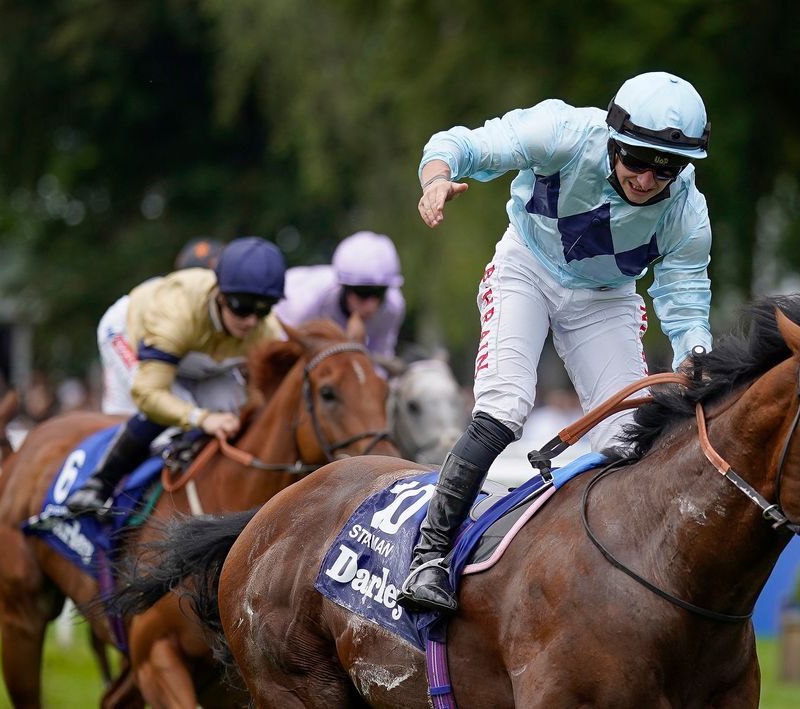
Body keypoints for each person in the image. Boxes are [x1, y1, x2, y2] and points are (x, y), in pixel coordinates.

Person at [398, 71, 714, 614]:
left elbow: (684, 301)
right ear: (614, 139)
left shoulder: (688, 212)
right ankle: (428, 555)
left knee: (626, 438)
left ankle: (620, 577)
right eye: (636, 160)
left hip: (606, 299)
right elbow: (465, 143)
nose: (647, 179)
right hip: (527, 268)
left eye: (667, 167)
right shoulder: (564, 132)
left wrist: (696, 359)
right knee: (505, 404)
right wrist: (436, 177)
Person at [66, 236, 288, 515]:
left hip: (198, 354)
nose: (251, 321)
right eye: (242, 307)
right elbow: (150, 395)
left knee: (230, 412)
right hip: (132, 333)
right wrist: (201, 418)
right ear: (219, 294)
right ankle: (98, 485)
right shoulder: (177, 313)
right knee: (173, 416)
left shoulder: (266, 328)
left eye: (263, 309)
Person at [274, 231, 405, 366]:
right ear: (344, 287)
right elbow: (281, 350)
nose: (372, 306)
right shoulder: (305, 301)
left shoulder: (393, 306)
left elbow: (380, 357)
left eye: (380, 293)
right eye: (363, 293)